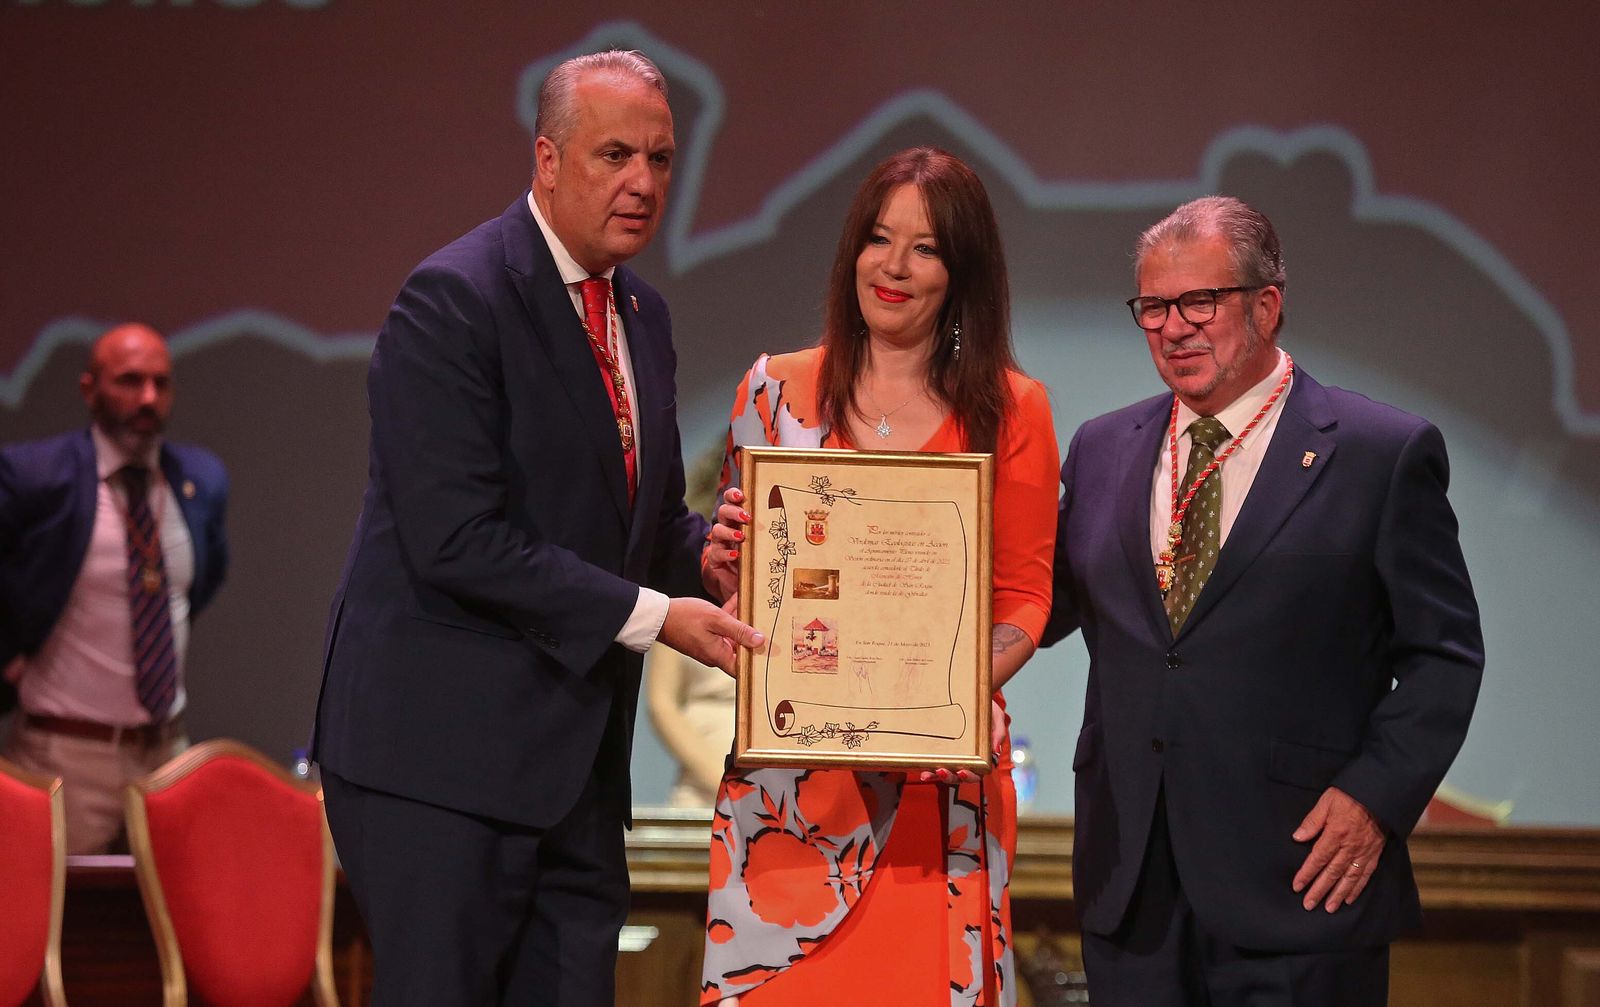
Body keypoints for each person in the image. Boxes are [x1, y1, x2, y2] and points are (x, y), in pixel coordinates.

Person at [311, 50, 763, 1006]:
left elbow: (625, 523)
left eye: (661, 158)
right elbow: (456, 538)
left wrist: (711, 553)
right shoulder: (456, 300)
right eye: (614, 156)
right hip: (439, 773)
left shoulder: (641, 314)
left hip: (571, 777)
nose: (642, 183)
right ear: (548, 160)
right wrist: (657, 614)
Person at [1044, 195, 1483, 1004]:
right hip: (1133, 885)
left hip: (1301, 884)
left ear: (1266, 305)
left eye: (1199, 302)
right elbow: (1039, 603)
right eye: (1153, 307)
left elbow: (1443, 657)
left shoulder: (1380, 453)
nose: (1174, 327)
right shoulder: (1103, 447)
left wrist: (1374, 798)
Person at [698, 147, 1060, 1006]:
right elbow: (751, 588)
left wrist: (947, 715)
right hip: (789, 797)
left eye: (926, 248)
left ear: (961, 271)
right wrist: (725, 570)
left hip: (939, 792)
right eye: (878, 238)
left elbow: (1025, 599)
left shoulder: (1014, 409)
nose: (893, 267)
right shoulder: (772, 391)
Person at [0, 322, 229, 854]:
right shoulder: (36, 477)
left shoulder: (200, 480)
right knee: (61, 924)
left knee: (171, 924)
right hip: (65, 754)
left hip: (166, 750)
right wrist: (9, 656)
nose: (147, 398)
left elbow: (201, 582)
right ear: (90, 389)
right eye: (129, 381)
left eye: (160, 382)